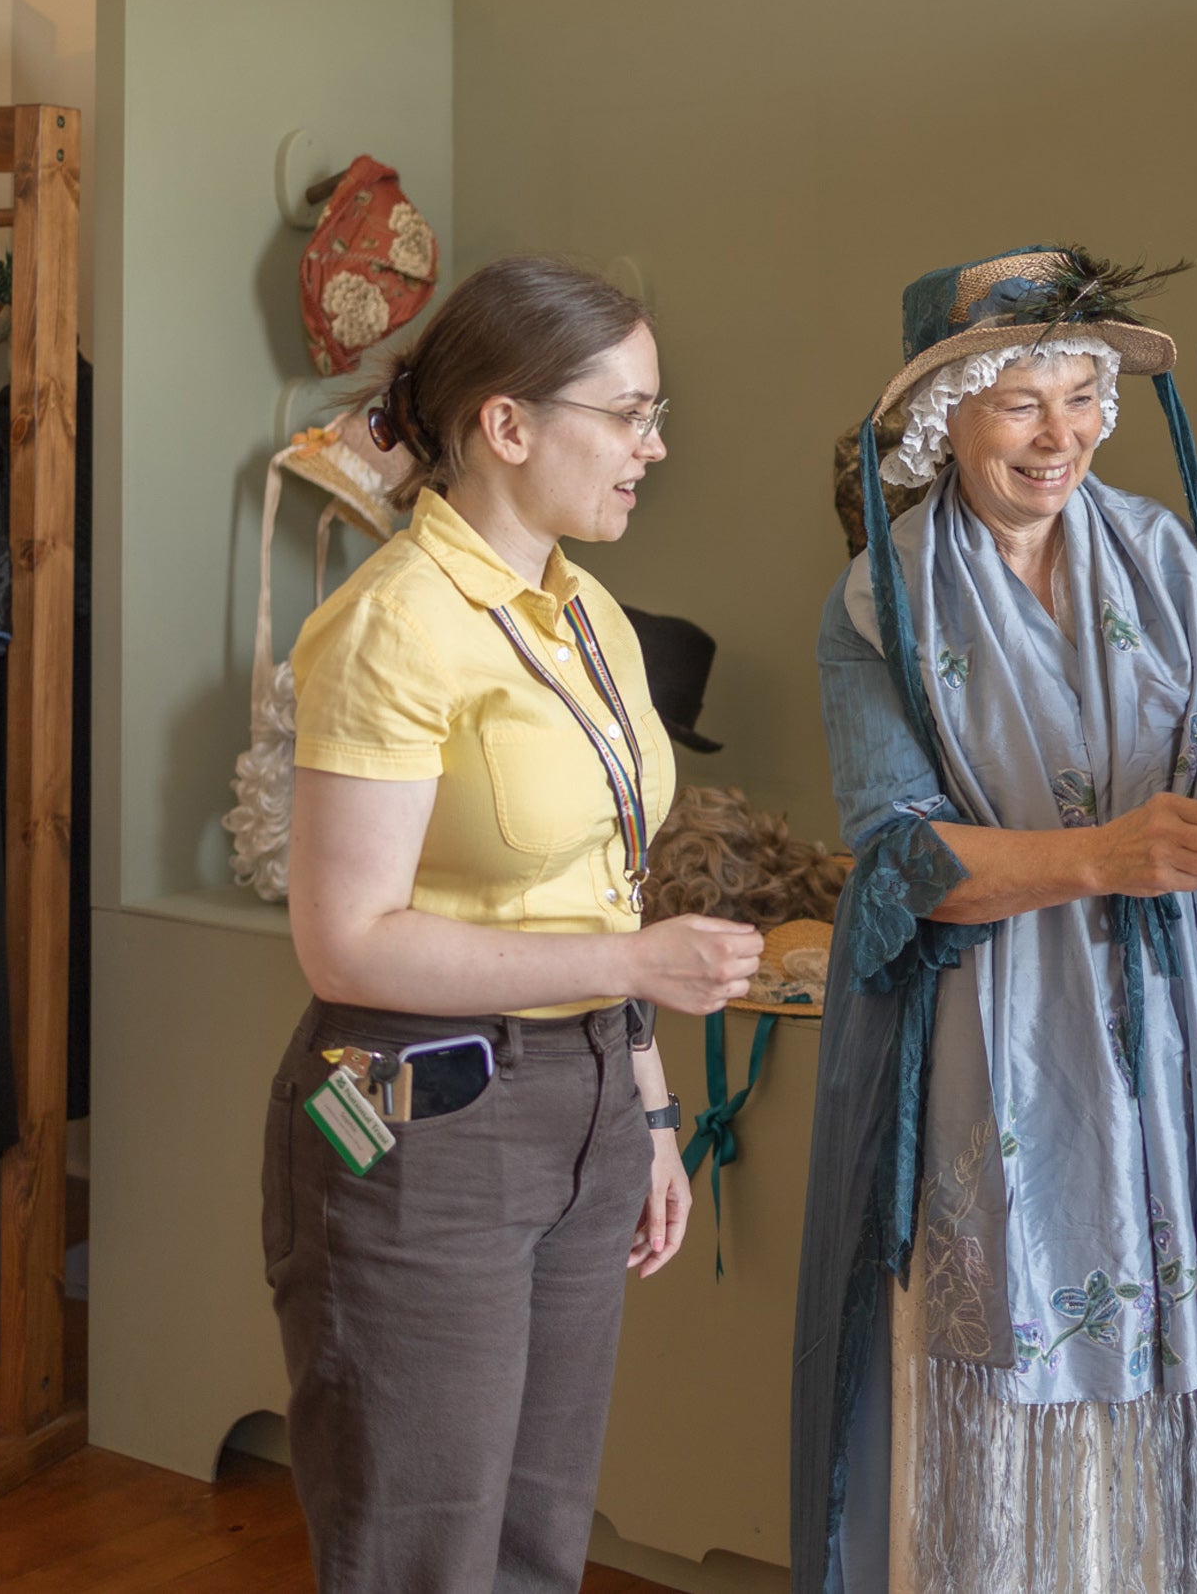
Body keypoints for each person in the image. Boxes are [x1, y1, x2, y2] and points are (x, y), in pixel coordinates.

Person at [789, 246, 1197, 1594]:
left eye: (1082, 396)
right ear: (943, 425)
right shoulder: (882, 599)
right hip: (1000, 1059)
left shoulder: (1168, 556)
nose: (1064, 437)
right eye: (1020, 405)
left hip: (1187, 1056)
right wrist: (1101, 855)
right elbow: (902, 863)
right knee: (1015, 1416)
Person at [267, 255, 762, 1593]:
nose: (654, 449)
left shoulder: (587, 609)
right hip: (423, 1119)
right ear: (508, 424)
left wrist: (647, 1109)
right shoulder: (387, 629)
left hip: (586, 1106)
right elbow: (347, 942)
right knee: (422, 1552)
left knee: (541, 1544)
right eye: (632, 414)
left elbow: (598, 873)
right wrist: (634, 969)